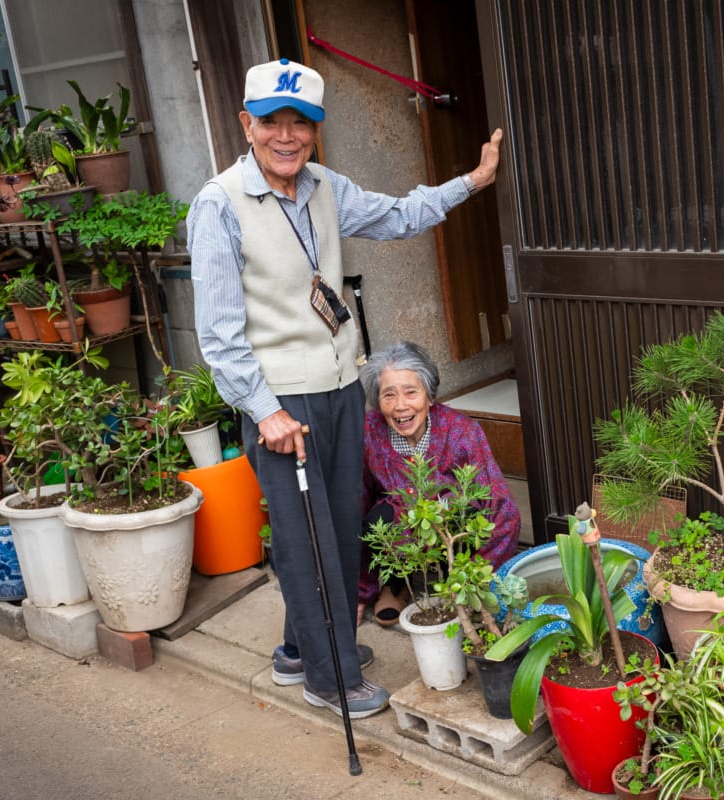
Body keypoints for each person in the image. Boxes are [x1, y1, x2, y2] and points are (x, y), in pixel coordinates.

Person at [187, 58, 503, 719]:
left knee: (339, 530)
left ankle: (299, 651)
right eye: (271, 122)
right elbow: (217, 334)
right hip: (281, 404)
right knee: (305, 541)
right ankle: (329, 680)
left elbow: (397, 214)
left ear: (314, 132)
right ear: (247, 125)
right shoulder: (220, 204)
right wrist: (265, 411)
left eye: (299, 124)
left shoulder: (326, 186)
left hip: (337, 389)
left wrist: (470, 182)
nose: (286, 136)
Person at [359, 341, 520, 625]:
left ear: (429, 396)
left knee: (472, 513)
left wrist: (478, 572)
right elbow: (358, 499)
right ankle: (395, 582)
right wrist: (360, 591)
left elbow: (500, 508)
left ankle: (460, 580)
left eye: (411, 392)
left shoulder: (461, 431)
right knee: (374, 517)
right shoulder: (370, 432)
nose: (400, 406)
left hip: (452, 527)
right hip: (402, 524)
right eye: (388, 395)